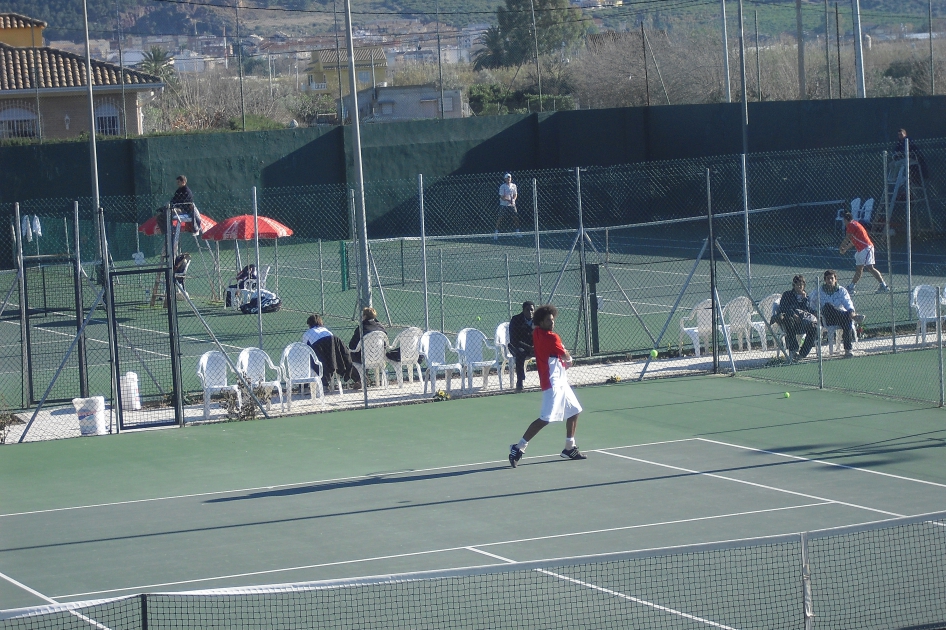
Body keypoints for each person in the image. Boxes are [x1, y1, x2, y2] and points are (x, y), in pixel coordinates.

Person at [508, 304, 586, 468]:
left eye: (553, 320)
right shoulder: (552, 338)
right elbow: (566, 357)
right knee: (546, 418)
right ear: (540, 322)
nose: (552, 323)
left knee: (575, 410)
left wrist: (562, 358)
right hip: (553, 383)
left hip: (560, 380)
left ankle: (569, 447)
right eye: (548, 321)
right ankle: (518, 447)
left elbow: (556, 354)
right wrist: (569, 358)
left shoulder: (536, 333)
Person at [814, 269, 865, 359]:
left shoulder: (841, 290)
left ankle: (848, 350)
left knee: (847, 321)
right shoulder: (819, 291)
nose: (830, 280)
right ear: (825, 280)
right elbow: (810, 301)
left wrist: (851, 311)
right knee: (828, 306)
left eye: (832, 278)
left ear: (835, 279)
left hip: (840, 317)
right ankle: (852, 316)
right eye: (828, 279)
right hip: (827, 319)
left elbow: (848, 302)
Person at [839, 211, 889, 295]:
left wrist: (841, 247)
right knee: (859, 269)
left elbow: (847, 238)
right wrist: (845, 248)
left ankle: (883, 286)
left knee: (870, 267)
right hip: (861, 250)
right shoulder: (854, 224)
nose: (843, 222)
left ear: (846, 220)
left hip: (866, 248)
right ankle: (851, 287)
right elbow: (853, 241)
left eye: (843, 220)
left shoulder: (851, 225)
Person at [348, 307, 400, 385]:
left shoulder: (361, 328)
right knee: (367, 351)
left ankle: (360, 379)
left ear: (364, 316)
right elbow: (385, 344)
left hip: (364, 357)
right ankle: (363, 378)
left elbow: (352, 345)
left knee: (346, 356)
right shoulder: (381, 327)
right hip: (380, 357)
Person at [774, 275, 819, 361]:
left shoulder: (806, 297)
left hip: (802, 323)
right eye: (798, 284)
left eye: (802, 285)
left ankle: (802, 354)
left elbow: (808, 310)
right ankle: (794, 349)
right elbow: (783, 308)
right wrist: (794, 315)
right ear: (793, 285)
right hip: (791, 322)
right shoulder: (787, 295)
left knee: (814, 328)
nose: (800, 287)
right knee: (788, 319)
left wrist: (804, 299)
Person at [508, 301, 535, 392]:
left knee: (547, 352)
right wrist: (529, 348)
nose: (530, 312)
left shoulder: (538, 321)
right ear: (523, 311)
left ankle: (547, 378)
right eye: (527, 310)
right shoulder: (516, 320)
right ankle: (520, 381)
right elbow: (514, 340)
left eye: (532, 310)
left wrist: (535, 347)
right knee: (520, 353)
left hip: (533, 347)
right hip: (517, 346)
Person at [493, 173, 520, 240]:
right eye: (507, 178)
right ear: (505, 179)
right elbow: (502, 197)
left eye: (509, 177)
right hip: (503, 205)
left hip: (512, 204)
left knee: (515, 217)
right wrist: (508, 200)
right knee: (500, 218)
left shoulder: (514, 186)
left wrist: (513, 200)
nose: (508, 179)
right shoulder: (502, 186)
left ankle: (518, 232)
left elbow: (515, 194)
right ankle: (496, 233)